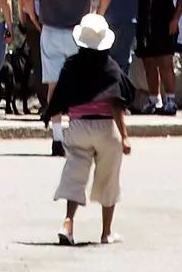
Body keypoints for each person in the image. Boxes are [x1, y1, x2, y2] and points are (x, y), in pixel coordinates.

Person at [21, 0, 111, 156]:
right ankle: (80, 136)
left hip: (50, 29)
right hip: (78, 31)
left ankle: (57, 138)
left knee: (54, 85)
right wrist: (97, 15)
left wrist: (33, 16)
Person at [44, 13, 133, 245]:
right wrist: (124, 136)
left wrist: (53, 117)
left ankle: (68, 223)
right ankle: (106, 232)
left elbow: (59, 95)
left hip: (79, 126)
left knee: (75, 173)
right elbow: (116, 103)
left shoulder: (72, 65)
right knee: (109, 178)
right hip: (106, 129)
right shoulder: (110, 68)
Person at [132, 0, 180, 114]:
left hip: (164, 25)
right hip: (145, 26)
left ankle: (171, 99)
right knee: (149, 63)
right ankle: (154, 100)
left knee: (165, 63)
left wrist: (175, 18)